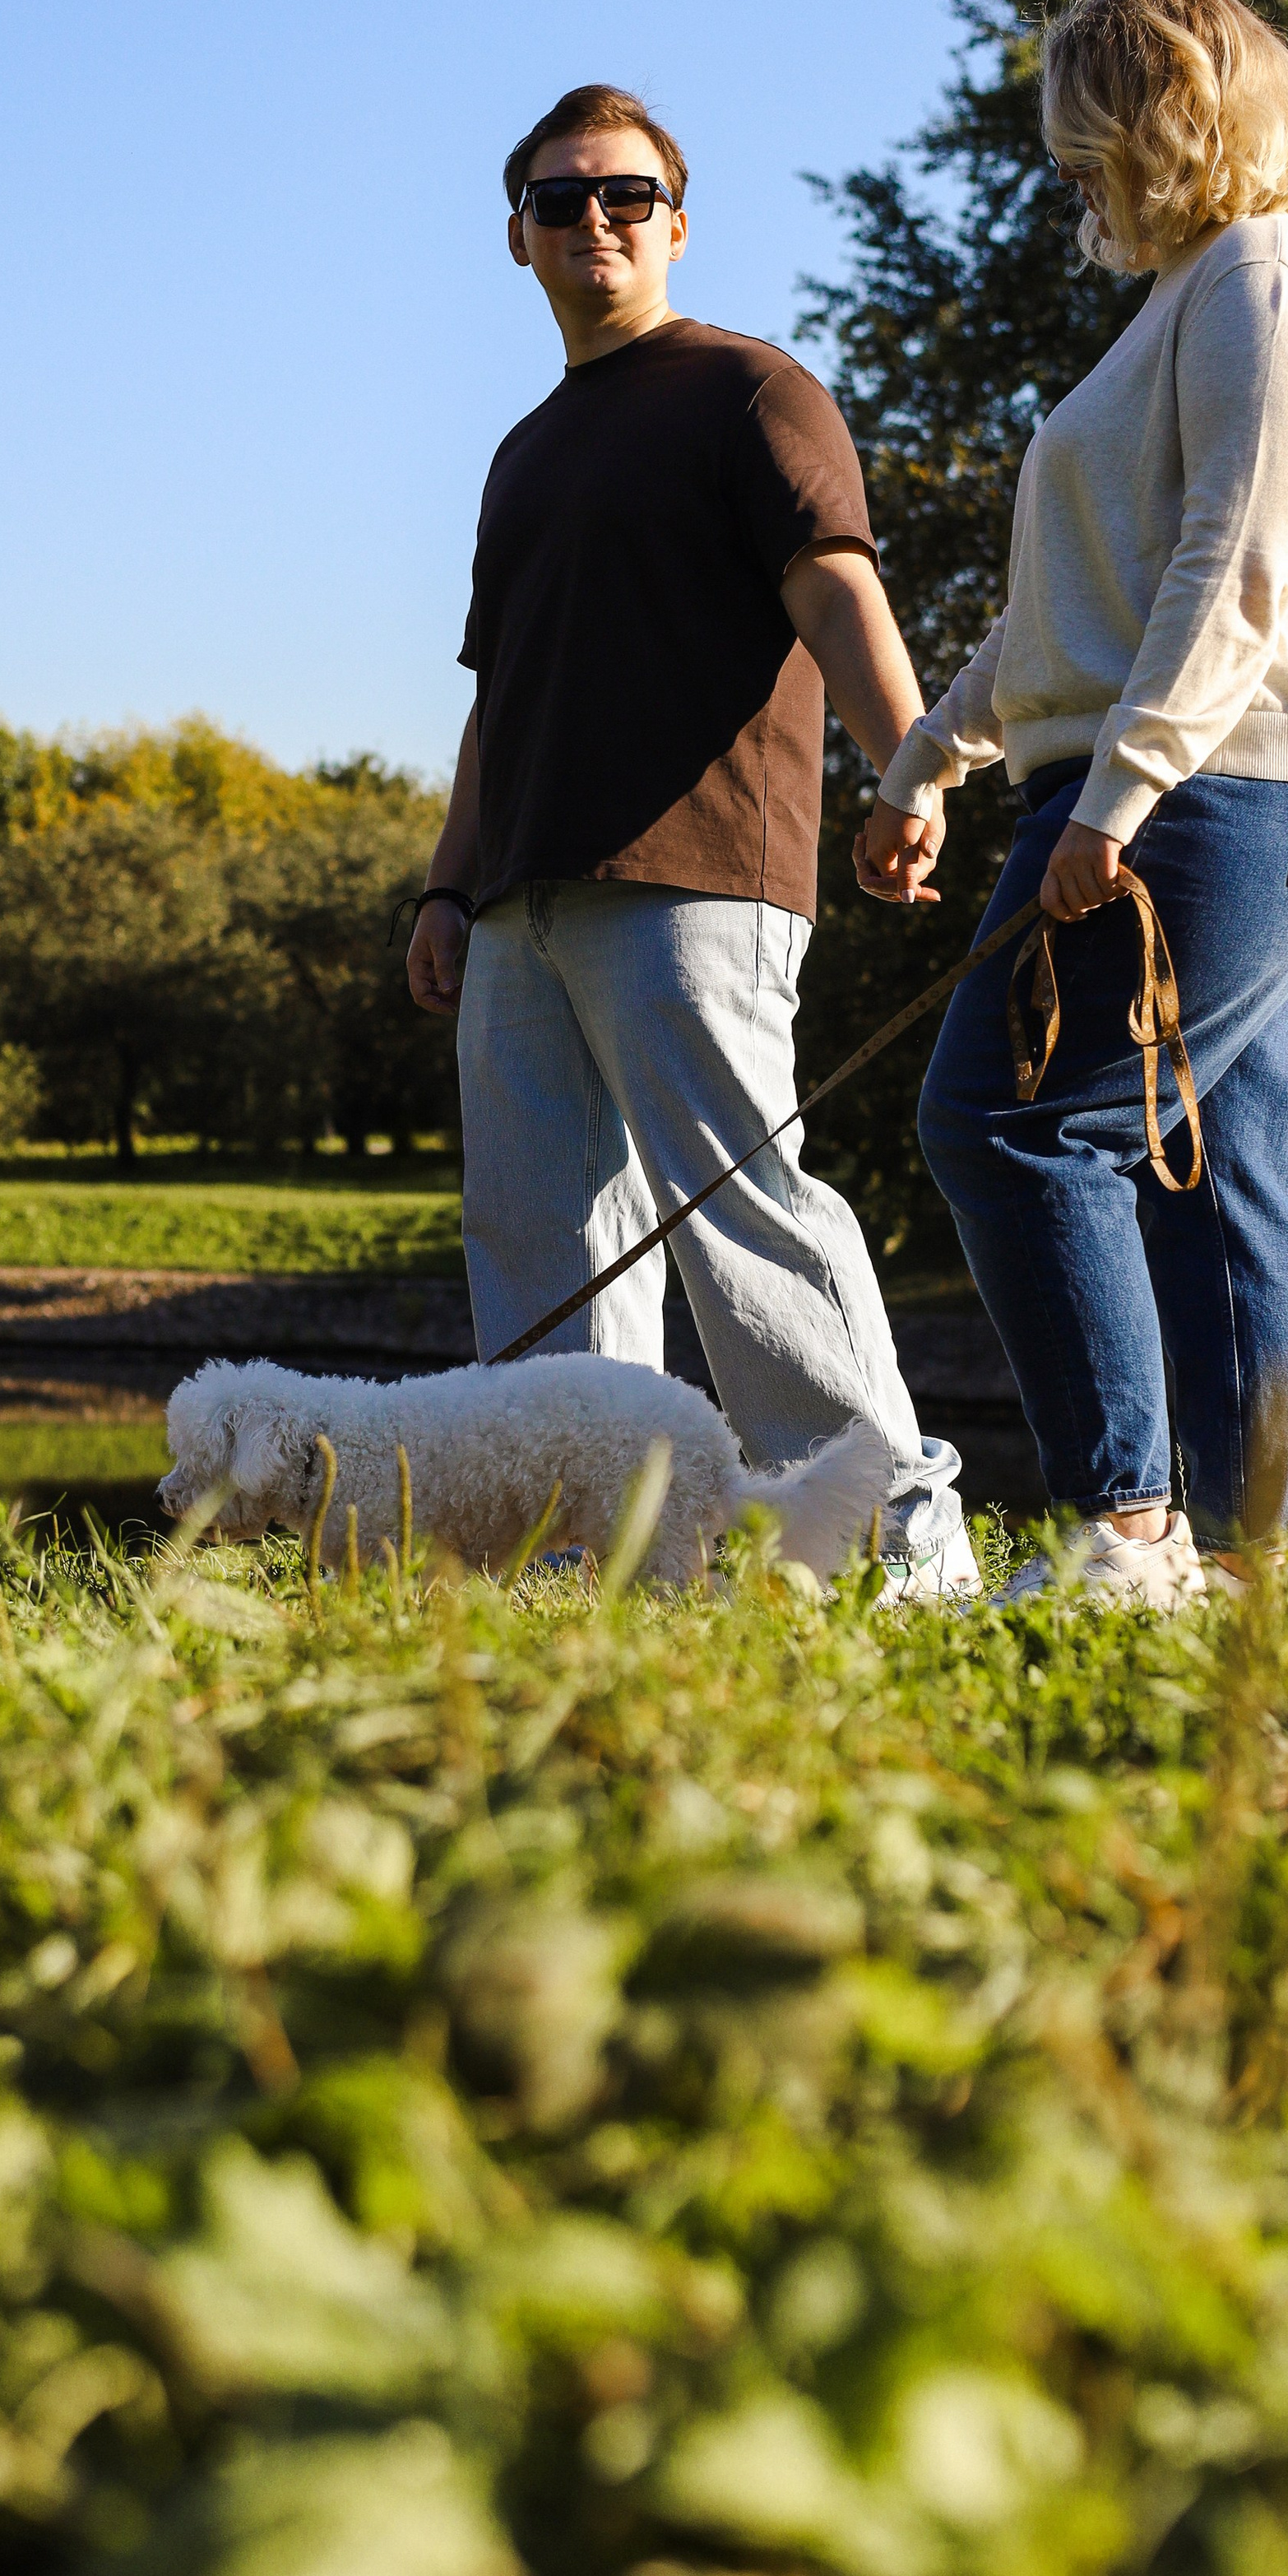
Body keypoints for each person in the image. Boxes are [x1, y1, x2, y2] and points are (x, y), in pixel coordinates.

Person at [863, 0, 1288, 1596]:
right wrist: (924, 760)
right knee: (1221, 1165)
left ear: (1153, 118)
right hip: (1217, 790)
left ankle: (1128, 1529)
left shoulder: (1261, 277)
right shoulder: (1185, 302)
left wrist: (1112, 802)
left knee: (1009, 1125)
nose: (1067, 179)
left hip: (1220, 794)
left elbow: (1229, 567)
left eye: (1079, 142)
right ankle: (1241, 1567)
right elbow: (1066, 619)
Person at [408, 81, 978, 1599]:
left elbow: (836, 589)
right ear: (516, 235)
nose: (594, 221)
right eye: (559, 200)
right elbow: (495, 697)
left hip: (697, 880)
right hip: (520, 899)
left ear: (675, 223)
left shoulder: (749, 393)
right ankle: (590, 1563)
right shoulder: (523, 455)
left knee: (740, 1214)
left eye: (626, 197)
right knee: (535, 1245)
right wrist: (449, 885)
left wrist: (911, 765)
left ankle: (897, 1555)